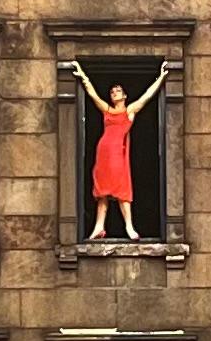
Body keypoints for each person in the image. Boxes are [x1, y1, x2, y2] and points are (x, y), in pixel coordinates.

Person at [70, 59, 167, 243]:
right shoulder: (107, 110)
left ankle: (129, 227)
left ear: (124, 96)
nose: (114, 93)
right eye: (112, 91)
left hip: (117, 155)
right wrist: (83, 75)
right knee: (102, 192)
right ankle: (99, 227)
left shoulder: (129, 111)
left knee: (121, 189)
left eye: (118, 91)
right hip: (103, 154)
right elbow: (92, 95)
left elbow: (147, 96)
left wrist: (161, 78)